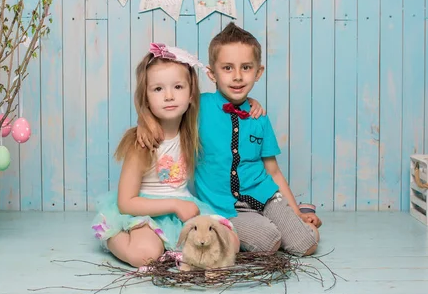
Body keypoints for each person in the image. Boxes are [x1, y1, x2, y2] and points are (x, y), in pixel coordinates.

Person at [138, 23, 321, 256]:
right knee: (268, 242)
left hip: (266, 196)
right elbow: (166, 105)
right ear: (211, 73)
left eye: (246, 68)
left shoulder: (259, 117)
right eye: (227, 68)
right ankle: (272, 227)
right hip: (226, 207)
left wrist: (296, 213)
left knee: (307, 244)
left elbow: (273, 171)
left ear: (258, 72)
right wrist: (145, 124)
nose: (237, 77)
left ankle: (296, 217)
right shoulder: (197, 108)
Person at [91, 43, 239, 268]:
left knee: (231, 242)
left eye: (178, 87)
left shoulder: (192, 130)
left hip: (183, 206)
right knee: (146, 256)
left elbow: (228, 105)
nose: (169, 96)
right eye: (158, 89)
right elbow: (126, 203)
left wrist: (253, 104)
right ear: (146, 97)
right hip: (144, 210)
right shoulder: (142, 143)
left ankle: (171, 247)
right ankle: (111, 236)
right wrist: (174, 205)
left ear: (191, 94)